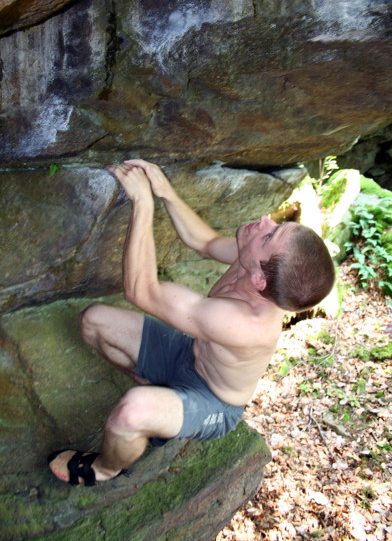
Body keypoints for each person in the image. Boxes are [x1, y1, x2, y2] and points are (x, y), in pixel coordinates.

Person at [48, 159, 335, 486]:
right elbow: (206, 242)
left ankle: (106, 468)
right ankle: (157, 393)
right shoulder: (257, 266)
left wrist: (142, 203)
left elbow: (142, 291)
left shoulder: (244, 323)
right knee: (94, 321)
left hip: (213, 399)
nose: (265, 220)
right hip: (189, 354)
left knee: (131, 412)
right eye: (275, 226)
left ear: (258, 279)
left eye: (270, 235)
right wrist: (165, 192)